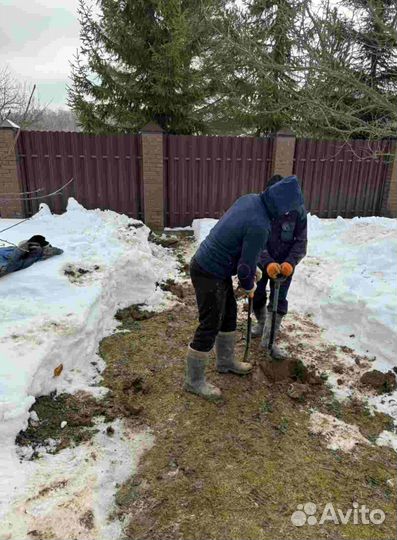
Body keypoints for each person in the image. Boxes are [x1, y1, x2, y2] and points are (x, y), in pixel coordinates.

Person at [185, 175, 305, 400]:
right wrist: (249, 284)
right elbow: (243, 268)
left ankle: (225, 361)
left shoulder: (250, 199)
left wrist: (250, 270)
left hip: (216, 267)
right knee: (210, 323)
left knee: (229, 314)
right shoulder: (260, 224)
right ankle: (194, 381)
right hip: (207, 271)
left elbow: (240, 244)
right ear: (281, 206)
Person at [251, 175, 307, 355]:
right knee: (257, 294)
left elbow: (301, 242)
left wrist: (290, 263)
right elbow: (255, 241)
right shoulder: (261, 209)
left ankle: (269, 341)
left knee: (279, 300)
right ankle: (261, 324)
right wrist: (267, 263)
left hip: (284, 266)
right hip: (262, 262)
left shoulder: (297, 211)